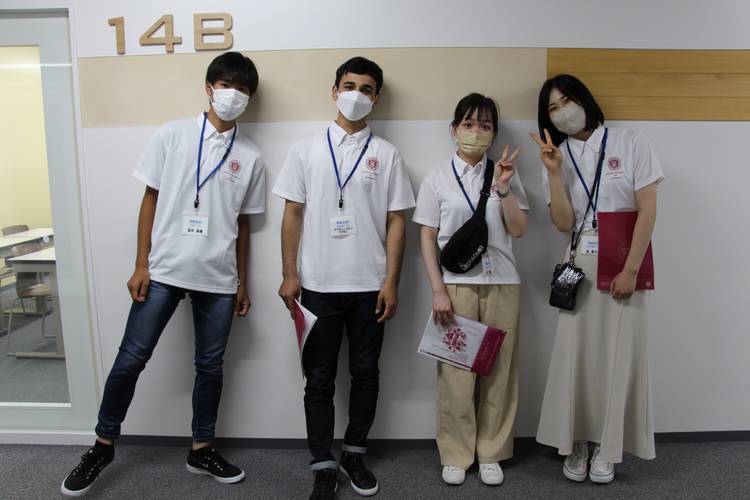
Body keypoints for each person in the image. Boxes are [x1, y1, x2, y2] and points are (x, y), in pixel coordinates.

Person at [60, 51, 266, 496]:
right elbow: (150, 199)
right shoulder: (173, 134)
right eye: (226, 85)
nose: (233, 94)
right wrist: (141, 263)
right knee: (131, 359)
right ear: (209, 88)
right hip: (164, 271)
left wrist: (242, 282)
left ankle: (201, 448)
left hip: (218, 278)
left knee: (210, 367)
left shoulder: (250, 156)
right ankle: (102, 446)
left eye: (242, 89)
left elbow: (244, 224)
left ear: (249, 98)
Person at [273, 56, 415, 500]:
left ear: (376, 98)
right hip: (316, 285)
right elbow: (292, 213)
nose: (356, 95)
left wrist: (391, 282)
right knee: (318, 379)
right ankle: (322, 464)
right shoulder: (306, 149)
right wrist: (289, 274)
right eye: (349, 86)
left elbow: (397, 221)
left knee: (365, 373)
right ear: (334, 91)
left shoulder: (387, 154)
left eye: (366, 89)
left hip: (369, 286)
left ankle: (354, 453)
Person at [531, 74, 663, 484]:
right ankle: (578, 442)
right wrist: (555, 172)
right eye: (553, 108)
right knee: (576, 355)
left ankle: (608, 447)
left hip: (624, 259)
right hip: (579, 261)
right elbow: (563, 223)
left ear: (585, 100)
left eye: (567, 101)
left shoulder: (631, 142)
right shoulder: (555, 155)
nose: (562, 112)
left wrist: (631, 269)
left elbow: (647, 209)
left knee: (619, 354)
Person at [413, 93, 528, 486]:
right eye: (468, 123)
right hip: (457, 287)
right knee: (456, 373)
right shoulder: (437, 177)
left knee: (500, 371)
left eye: (485, 125)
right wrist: (437, 289)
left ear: (493, 133)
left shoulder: (505, 172)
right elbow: (427, 237)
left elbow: (519, 230)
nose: (476, 131)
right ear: (454, 129)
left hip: (503, 284)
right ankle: (457, 453)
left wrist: (505, 188)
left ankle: (492, 452)